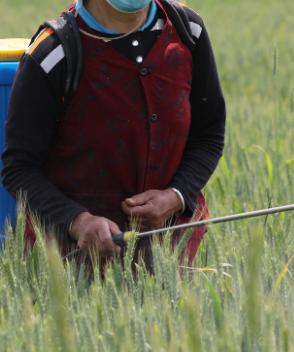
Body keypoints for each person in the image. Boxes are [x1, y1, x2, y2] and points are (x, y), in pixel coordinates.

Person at [1, 0, 226, 268]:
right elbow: (19, 169)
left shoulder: (188, 31)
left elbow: (209, 133)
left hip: (173, 257)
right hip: (74, 265)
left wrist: (177, 196)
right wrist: (77, 221)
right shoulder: (54, 53)